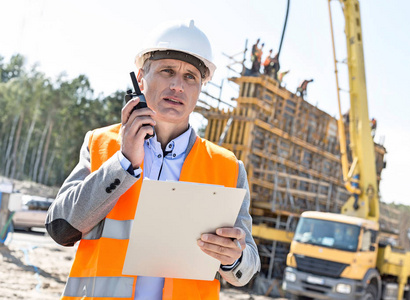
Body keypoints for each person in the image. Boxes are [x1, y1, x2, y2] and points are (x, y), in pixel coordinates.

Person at [46, 20, 260, 300]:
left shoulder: (227, 167)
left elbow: (249, 267)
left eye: (190, 77)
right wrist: (123, 163)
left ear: (200, 89)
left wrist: (233, 257)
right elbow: (60, 228)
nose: (177, 85)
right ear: (140, 77)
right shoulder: (101, 144)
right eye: (167, 71)